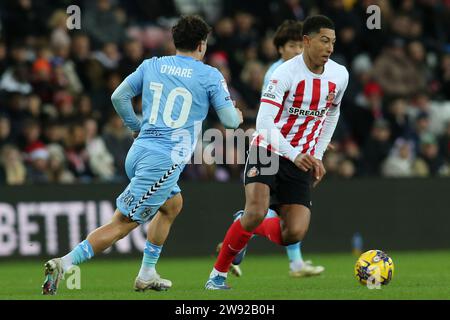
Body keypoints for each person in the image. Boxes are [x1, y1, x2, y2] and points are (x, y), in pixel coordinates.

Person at [42, 15, 242, 295]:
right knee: (122, 224)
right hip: (163, 161)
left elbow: (118, 97)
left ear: (175, 42)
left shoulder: (153, 65)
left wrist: (136, 127)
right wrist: (238, 113)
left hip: (138, 152)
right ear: (201, 45)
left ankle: (147, 273)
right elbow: (231, 121)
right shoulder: (209, 75)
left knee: (173, 205)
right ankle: (65, 263)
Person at [206, 15, 349, 290]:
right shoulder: (283, 74)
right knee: (257, 211)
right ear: (307, 41)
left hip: (302, 157)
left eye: (332, 41)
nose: (330, 47)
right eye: (324, 40)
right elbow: (263, 123)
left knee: (293, 233)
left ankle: (244, 222)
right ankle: (217, 276)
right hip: (267, 149)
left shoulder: (339, 75)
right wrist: (295, 153)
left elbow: (333, 113)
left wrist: (317, 154)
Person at [220, 20, 324, 279]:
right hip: (273, 147)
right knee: (269, 208)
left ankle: (292, 260)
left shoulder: (306, 71)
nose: (298, 49)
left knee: (285, 209)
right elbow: (276, 117)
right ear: (280, 49)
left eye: (301, 44)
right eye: (292, 45)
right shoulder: (277, 73)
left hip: (294, 148)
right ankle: (288, 257)